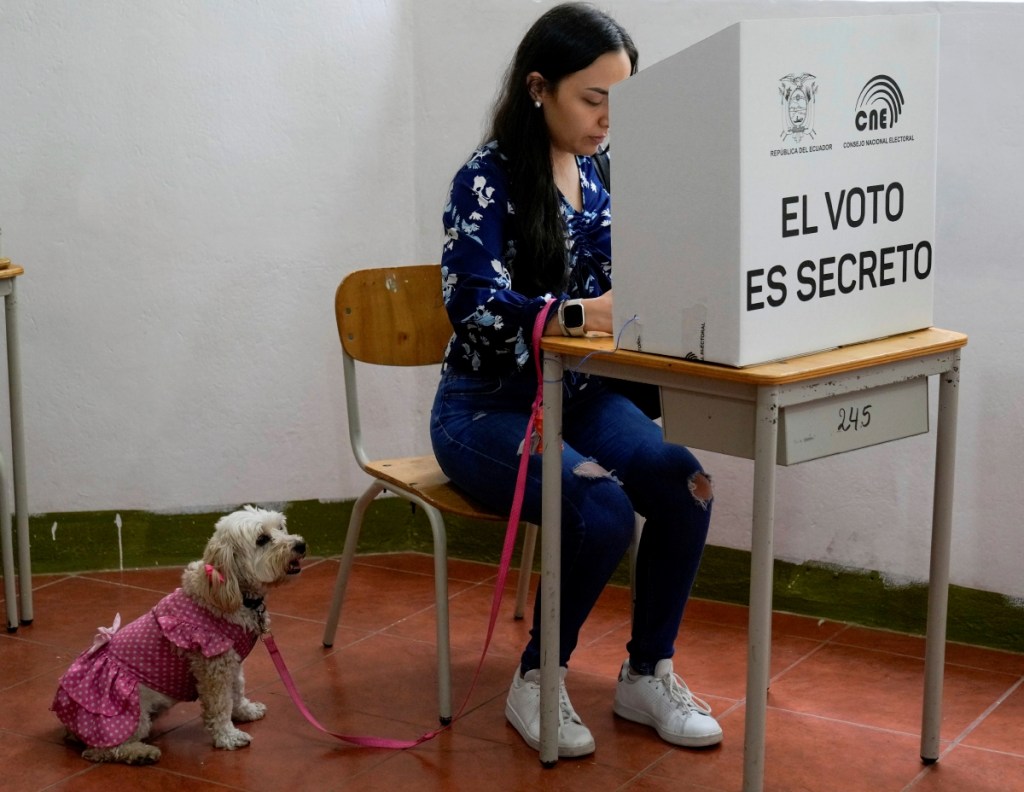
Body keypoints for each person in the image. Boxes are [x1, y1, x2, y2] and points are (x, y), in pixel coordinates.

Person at [429, 2, 722, 757]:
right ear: (538, 87)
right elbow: (474, 311)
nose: (607, 119)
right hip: (485, 409)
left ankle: (646, 672)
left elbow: (648, 270)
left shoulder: (602, 172)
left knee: (683, 483)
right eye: (594, 99)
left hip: (582, 394)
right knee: (598, 509)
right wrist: (579, 314)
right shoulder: (485, 181)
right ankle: (537, 681)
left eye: (620, 101)